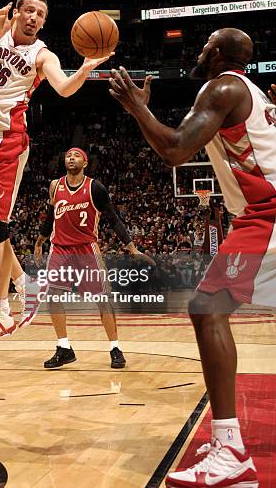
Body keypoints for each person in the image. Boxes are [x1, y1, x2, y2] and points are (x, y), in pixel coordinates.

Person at [109, 28, 276, 487]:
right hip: (260, 212)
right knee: (207, 309)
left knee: (206, 308)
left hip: (267, 214)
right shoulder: (252, 93)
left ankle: (231, 453)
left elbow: (176, 149)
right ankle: (228, 445)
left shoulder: (221, 86)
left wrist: (135, 106)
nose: (198, 51)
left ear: (219, 54)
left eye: (205, 46)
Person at [0, 0, 113, 344]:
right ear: (17, 11)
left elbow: (63, 88)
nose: (34, 17)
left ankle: (0, 310)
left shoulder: (42, 54)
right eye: (29, 10)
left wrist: (84, 68)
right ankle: (24, 283)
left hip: (7, 141)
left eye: (41, 14)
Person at [34, 148, 150, 369]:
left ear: (85, 163)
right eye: (68, 155)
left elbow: (113, 219)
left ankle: (115, 348)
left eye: (76, 156)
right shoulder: (54, 186)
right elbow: (51, 216)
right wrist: (40, 241)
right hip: (60, 248)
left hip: (87, 248)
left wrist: (131, 247)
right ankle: (64, 347)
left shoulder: (95, 187)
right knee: (53, 295)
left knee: (103, 297)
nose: (71, 158)